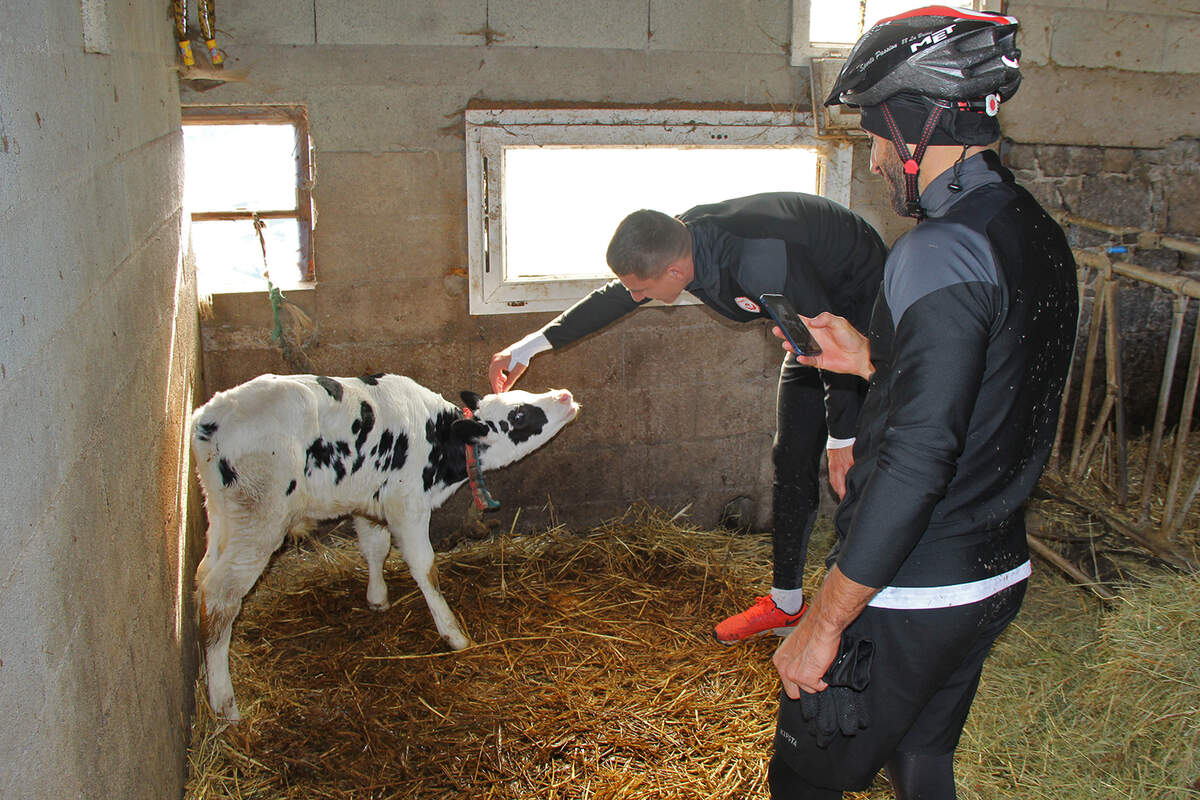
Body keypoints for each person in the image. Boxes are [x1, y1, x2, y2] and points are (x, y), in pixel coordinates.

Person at [767, 7, 1079, 799]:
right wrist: (872, 362)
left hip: (911, 584)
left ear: (915, 125)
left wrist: (823, 621)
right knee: (923, 758)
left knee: (802, 774)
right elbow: (990, 390)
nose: (874, 160)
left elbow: (917, 458)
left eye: (876, 134)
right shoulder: (1032, 230)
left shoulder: (936, 251)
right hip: (995, 574)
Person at [488, 192, 887, 643]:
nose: (636, 297)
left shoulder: (754, 263)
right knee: (790, 457)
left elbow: (828, 341)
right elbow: (615, 297)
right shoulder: (679, 246)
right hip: (806, 318)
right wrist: (528, 346)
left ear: (674, 272)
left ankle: (858, 615)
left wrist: (843, 436)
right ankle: (787, 605)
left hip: (859, 315)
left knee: (859, 466)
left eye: (641, 289)